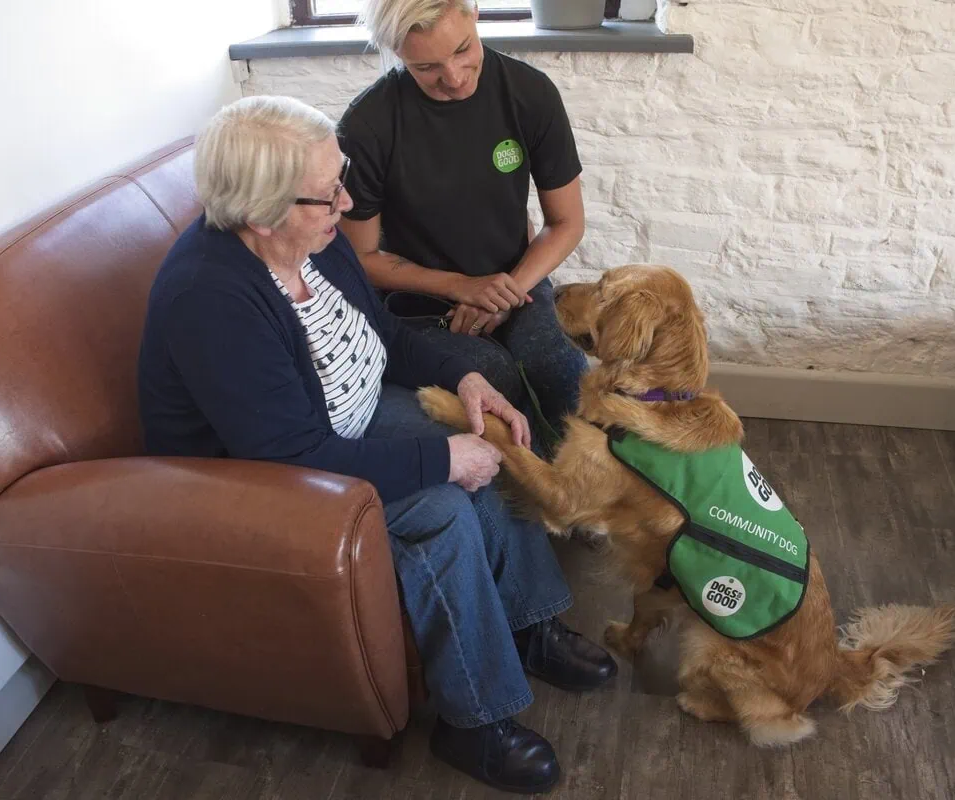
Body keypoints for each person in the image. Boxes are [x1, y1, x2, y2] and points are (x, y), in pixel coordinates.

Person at [136, 95, 616, 795]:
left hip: (347, 421)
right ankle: (474, 720)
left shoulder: (314, 241)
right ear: (262, 213)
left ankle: (529, 625)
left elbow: (384, 334)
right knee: (441, 508)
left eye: (342, 178)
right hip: (258, 479)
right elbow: (291, 454)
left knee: (488, 440)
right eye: (328, 192)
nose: (347, 201)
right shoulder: (210, 298)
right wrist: (441, 460)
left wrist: (466, 376)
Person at [338, 0, 589, 441]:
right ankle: (524, 477)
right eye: (426, 67)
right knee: (494, 371)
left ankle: (575, 476)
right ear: (397, 52)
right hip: (417, 302)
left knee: (557, 366)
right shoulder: (368, 124)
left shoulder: (530, 94)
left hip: (517, 278)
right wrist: (461, 286)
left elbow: (566, 223)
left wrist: (503, 293)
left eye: (462, 49)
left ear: (474, 14)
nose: (453, 78)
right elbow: (359, 257)